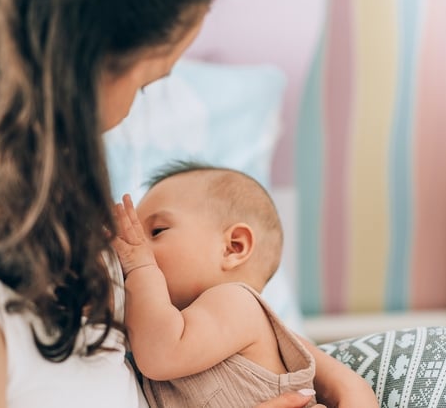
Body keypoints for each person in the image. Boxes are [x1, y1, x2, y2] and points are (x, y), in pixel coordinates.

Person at [0, 0, 364, 407]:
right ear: (72, 66)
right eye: (147, 83)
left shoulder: (22, 180)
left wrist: (329, 374)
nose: (122, 117)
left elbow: (203, 315)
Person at [112, 161, 379, 407]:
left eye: (156, 231)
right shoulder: (161, 325)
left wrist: (141, 268)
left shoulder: (236, 302)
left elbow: (161, 354)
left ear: (233, 247)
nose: (137, 247)